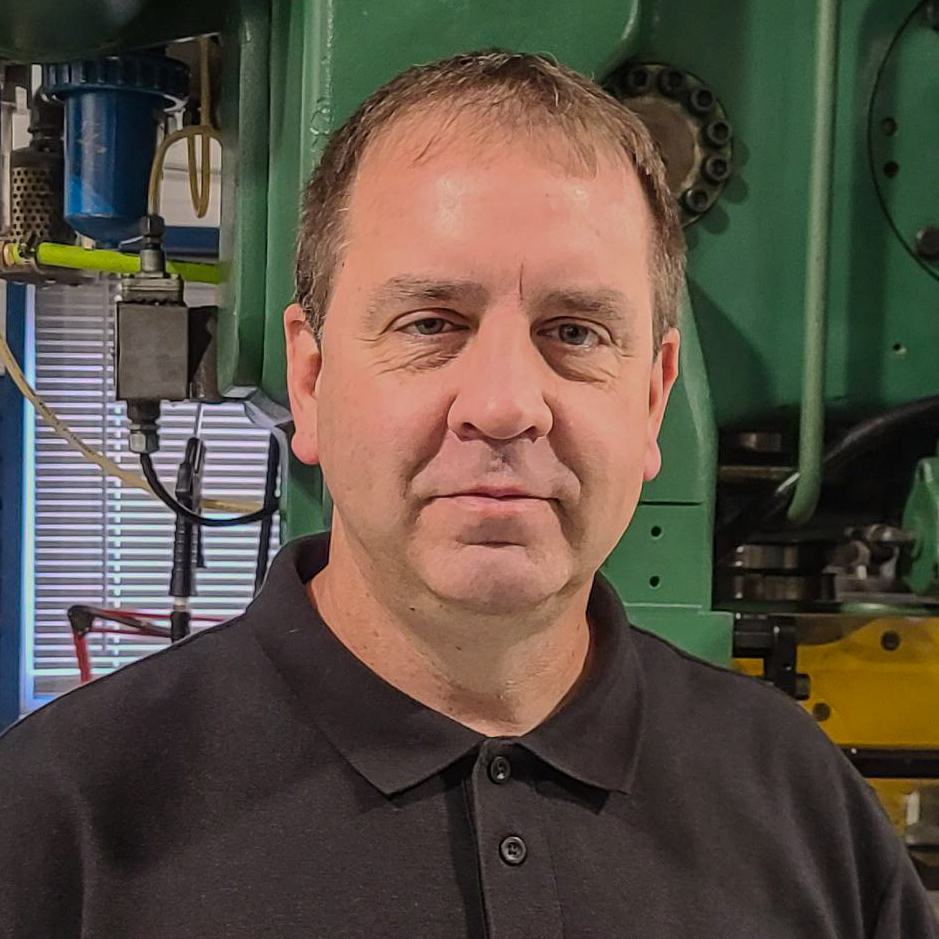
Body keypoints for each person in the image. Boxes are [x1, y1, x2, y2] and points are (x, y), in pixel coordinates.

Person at [1, 50, 936, 939]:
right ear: (312, 379)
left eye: (573, 331)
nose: (502, 405)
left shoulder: (797, 802)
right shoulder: (59, 821)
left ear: (652, 399)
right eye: (429, 322)